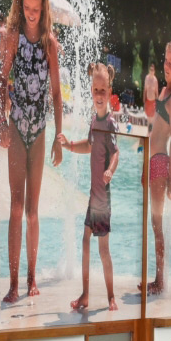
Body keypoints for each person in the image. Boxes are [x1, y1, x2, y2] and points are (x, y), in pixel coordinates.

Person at [0, 0, 65, 306]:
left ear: (44, 7)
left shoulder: (50, 42)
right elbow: (0, 79)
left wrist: (59, 134)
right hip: (17, 124)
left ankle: (32, 277)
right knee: (16, 206)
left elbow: (55, 93)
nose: (32, 15)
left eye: (36, 9)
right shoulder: (12, 36)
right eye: (27, 9)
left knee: (33, 210)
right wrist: (1, 122)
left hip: (38, 131)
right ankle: (12, 282)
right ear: (19, 5)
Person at [57, 63, 118, 314]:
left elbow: (115, 153)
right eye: (96, 90)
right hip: (93, 199)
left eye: (103, 90)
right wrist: (70, 145)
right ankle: (85, 294)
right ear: (91, 91)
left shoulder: (110, 123)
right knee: (84, 242)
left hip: (102, 198)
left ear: (109, 90)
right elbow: (90, 146)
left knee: (103, 250)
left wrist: (110, 171)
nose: (99, 95)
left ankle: (112, 297)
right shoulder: (94, 120)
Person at [141, 41, 171, 296]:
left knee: (157, 223)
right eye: (165, 61)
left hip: (160, 163)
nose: (166, 66)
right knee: (153, 221)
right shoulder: (164, 91)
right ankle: (157, 278)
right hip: (152, 161)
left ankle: (159, 280)